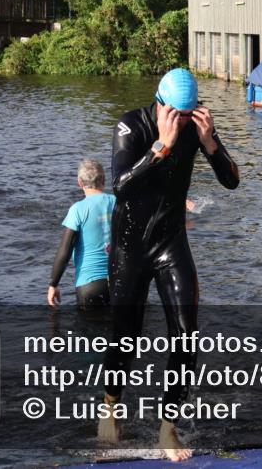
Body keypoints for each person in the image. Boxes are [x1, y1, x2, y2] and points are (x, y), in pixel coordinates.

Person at [97, 68, 239, 460]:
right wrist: (161, 145)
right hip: (130, 247)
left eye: (189, 116)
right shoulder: (131, 125)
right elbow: (121, 186)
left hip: (170, 242)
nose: (182, 123)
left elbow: (232, 181)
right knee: (126, 336)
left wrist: (210, 143)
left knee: (187, 334)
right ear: (159, 105)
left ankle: (167, 428)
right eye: (175, 114)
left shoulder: (195, 127)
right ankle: (110, 406)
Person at [47, 160, 115, 310]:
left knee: (90, 331)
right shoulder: (118, 203)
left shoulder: (77, 210)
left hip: (90, 285)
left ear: (80, 182)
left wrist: (53, 284)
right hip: (121, 281)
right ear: (104, 180)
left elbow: (64, 252)